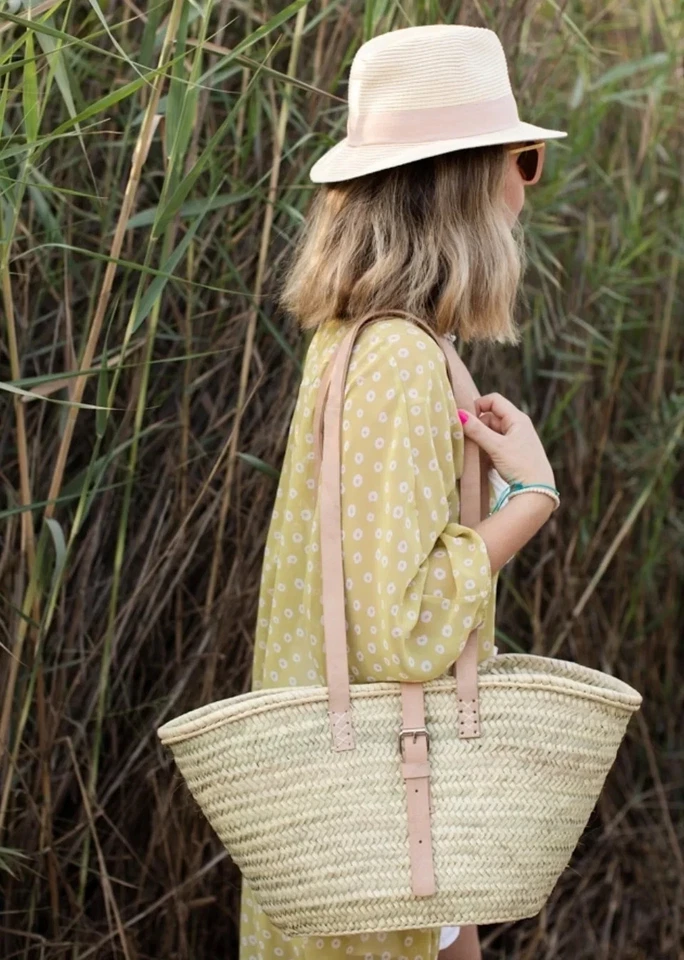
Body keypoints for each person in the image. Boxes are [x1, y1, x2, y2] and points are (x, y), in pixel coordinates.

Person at [239, 23, 565, 960]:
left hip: (379, 797)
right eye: (523, 160)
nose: (526, 188)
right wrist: (530, 497)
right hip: (384, 801)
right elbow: (404, 628)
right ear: (465, 182)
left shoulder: (361, 343)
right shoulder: (397, 359)